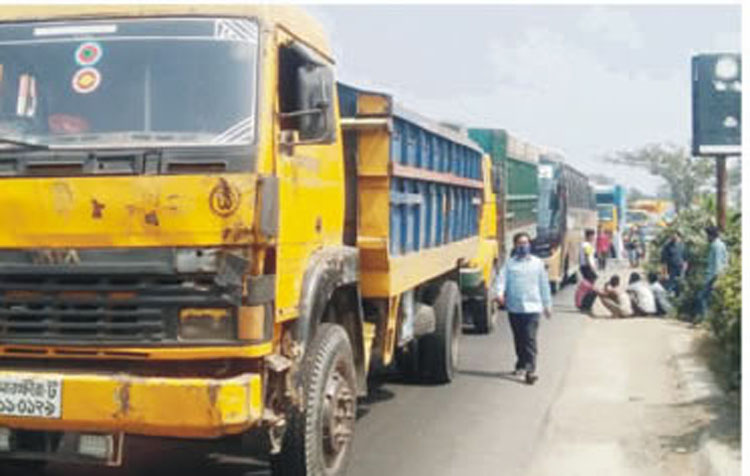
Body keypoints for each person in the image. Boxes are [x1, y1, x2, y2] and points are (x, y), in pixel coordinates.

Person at [494, 232, 552, 385]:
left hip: (533, 307)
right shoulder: (510, 264)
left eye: (525, 243)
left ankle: (530, 370)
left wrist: (547, 305)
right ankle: (521, 364)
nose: (523, 246)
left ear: (529, 245)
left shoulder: (537, 263)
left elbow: (544, 285)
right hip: (515, 307)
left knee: (529, 338)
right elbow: (501, 280)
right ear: (515, 245)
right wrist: (499, 294)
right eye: (520, 243)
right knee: (519, 338)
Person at [693, 226, 728, 323]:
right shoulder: (722, 244)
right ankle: (708, 320)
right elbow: (725, 261)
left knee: (702, 297)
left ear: (711, 235)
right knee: (711, 299)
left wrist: (717, 278)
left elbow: (717, 264)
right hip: (719, 275)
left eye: (707, 235)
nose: (706, 238)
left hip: (713, 276)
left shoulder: (715, 246)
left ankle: (705, 320)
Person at [660, 231, 687, 296]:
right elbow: (664, 261)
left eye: (675, 236)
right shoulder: (667, 246)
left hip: (680, 269)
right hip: (671, 269)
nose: (673, 237)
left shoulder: (682, 245)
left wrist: (684, 268)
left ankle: (678, 300)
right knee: (670, 287)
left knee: (679, 286)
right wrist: (665, 273)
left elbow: (685, 258)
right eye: (672, 236)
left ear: (678, 236)